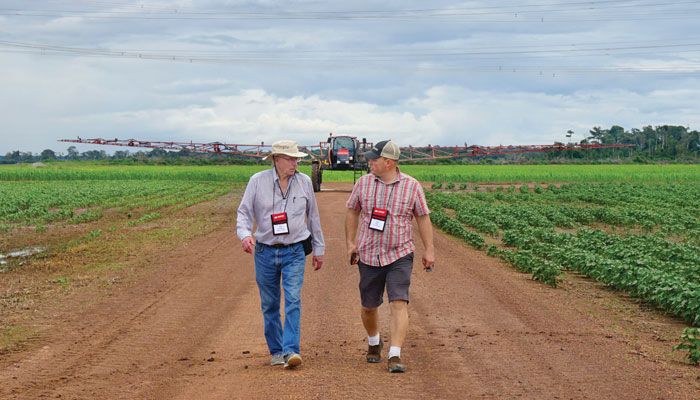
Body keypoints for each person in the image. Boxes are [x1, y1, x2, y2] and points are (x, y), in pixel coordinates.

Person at [345, 139, 435, 373]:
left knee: (399, 301)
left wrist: (429, 249)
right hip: (369, 254)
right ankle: (374, 341)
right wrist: (350, 243)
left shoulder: (412, 186)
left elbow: (423, 217)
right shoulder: (363, 184)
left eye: (375, 159)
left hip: (400, 253)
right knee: (368, 306)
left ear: (389, 162)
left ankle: (395, 354)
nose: (370, 162)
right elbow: (352, 211)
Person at [237, 140, 325, 369]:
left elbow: (313, 217)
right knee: (270, 304)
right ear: (276, 159)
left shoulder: (305, 182)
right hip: (265, 251)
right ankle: (276, 351)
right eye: (290, 158)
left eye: (296, 159)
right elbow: (244, 213)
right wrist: (245, 235)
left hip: (295, 250)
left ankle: (291, 350)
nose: (295, 163)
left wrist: (319, 249)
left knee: (293, 299)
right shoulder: (257, 182)